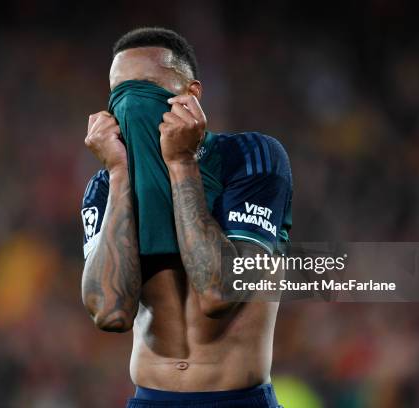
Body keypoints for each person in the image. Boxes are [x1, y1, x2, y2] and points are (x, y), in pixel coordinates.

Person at [80, 27, 292, 408]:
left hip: (237, 399)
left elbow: (218, 292)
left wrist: (180, 164)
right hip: (149, 399)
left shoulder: (252, 158)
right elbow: (110, 311)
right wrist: (119, 174)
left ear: (190, 95)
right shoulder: (103, 187)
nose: (129, 106)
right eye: (118, 95)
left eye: (144, 88)